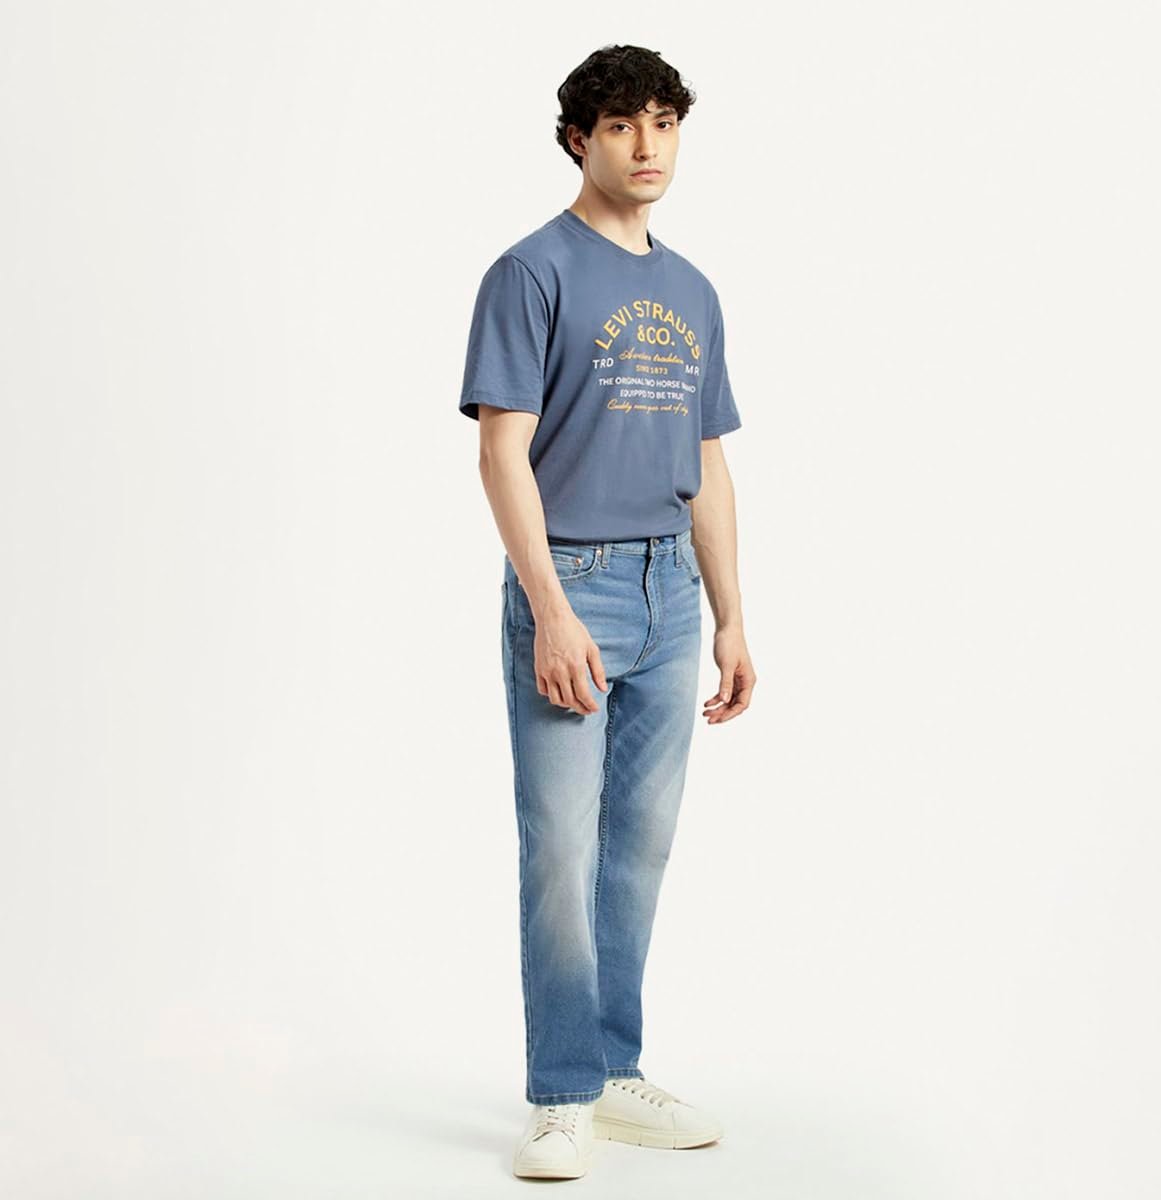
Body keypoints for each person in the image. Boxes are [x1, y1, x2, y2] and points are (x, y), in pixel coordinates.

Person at [458, 43, 756, 1181]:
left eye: (665, 124)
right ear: (579, 138)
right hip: (571, 584)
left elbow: (709, 465)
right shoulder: (530, 271)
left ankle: (614, 1069)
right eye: (623, 125)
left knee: (638, 847)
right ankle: (560, 1094)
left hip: (669, 591)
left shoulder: (694, 291)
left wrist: (730, 617)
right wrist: (548, 606)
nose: (647, 147)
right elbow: (503, 452)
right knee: (559, 850)